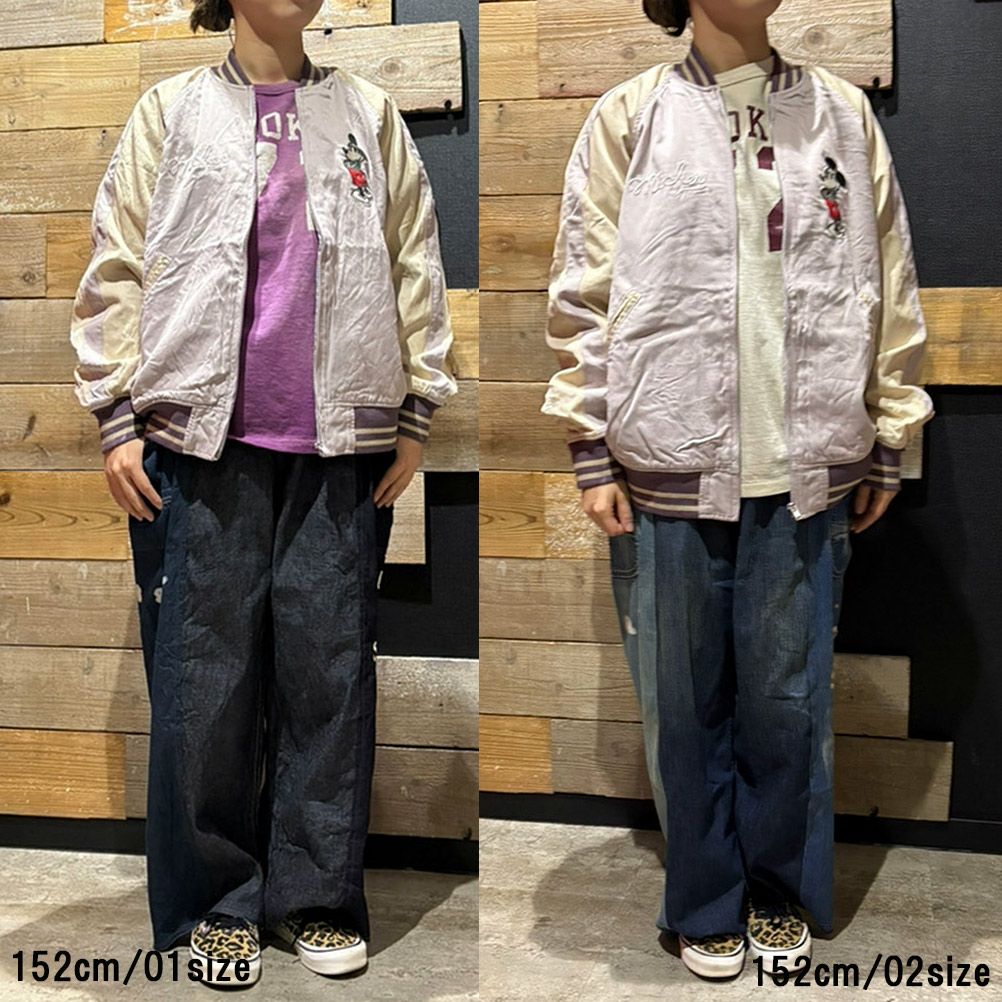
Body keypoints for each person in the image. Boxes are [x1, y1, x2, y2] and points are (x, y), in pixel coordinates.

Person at [540, 0, 933, 981]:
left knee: (788, 703)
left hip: (808, 464)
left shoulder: (841, 114)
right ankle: (705, 898)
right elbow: (583, 287)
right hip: (669, 458)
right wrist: (590, 443)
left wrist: (890, 431)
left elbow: (887, 275)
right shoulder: (631, 115)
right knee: (682, 706)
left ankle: (777, 889)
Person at [68, 0, 457, 986]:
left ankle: (316, 898)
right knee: (205, 688)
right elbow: (118, 261)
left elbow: (414, 258)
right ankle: (218, 901)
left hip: (340, 445)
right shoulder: (172, 111)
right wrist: (114, 412)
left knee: (330, 677)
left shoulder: (368, 111)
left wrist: (416, 411)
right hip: (200, 444)